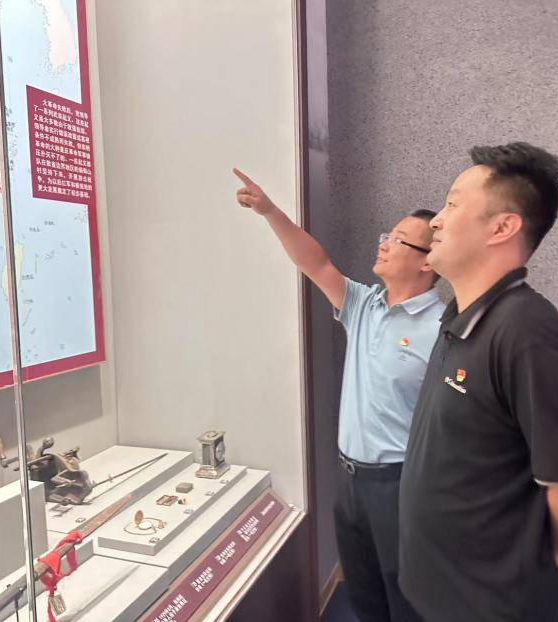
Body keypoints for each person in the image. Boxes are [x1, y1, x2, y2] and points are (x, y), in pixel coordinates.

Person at [398, 142, 558, 622]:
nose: (436, 220)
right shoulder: (461, 315)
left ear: (502, 227)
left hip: (495, 606)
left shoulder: (529, 335)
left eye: (452, 205)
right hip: (441, 594)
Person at [233, 168, 443, 622]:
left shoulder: (443, 327)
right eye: (386, 235)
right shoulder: (365, 305)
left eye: (398, 240)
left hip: (401, 484)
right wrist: (270, 211)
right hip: (350, 481)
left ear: (427, 262)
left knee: (409, 598)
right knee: (364, 595)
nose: (383, 244)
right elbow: (316, 264)